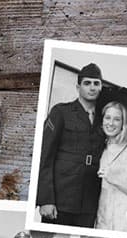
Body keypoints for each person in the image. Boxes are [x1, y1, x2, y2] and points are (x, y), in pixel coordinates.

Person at [36, 63, 105, 227]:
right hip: (60, 200)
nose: (92, 87)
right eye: (87, 83)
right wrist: (45, 200)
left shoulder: (106, 119)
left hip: (89, 203)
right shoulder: (61, 112)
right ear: (78, 87)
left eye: (96, 83)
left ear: (101, 87)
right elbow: (44, 155)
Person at [94, 101, 127, 232]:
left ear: (123, 124)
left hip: (124, 221)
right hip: (103, 220)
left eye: (117, 119)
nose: (111, 123)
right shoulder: (100, 149)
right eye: (107, 118)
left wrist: (114, 179)